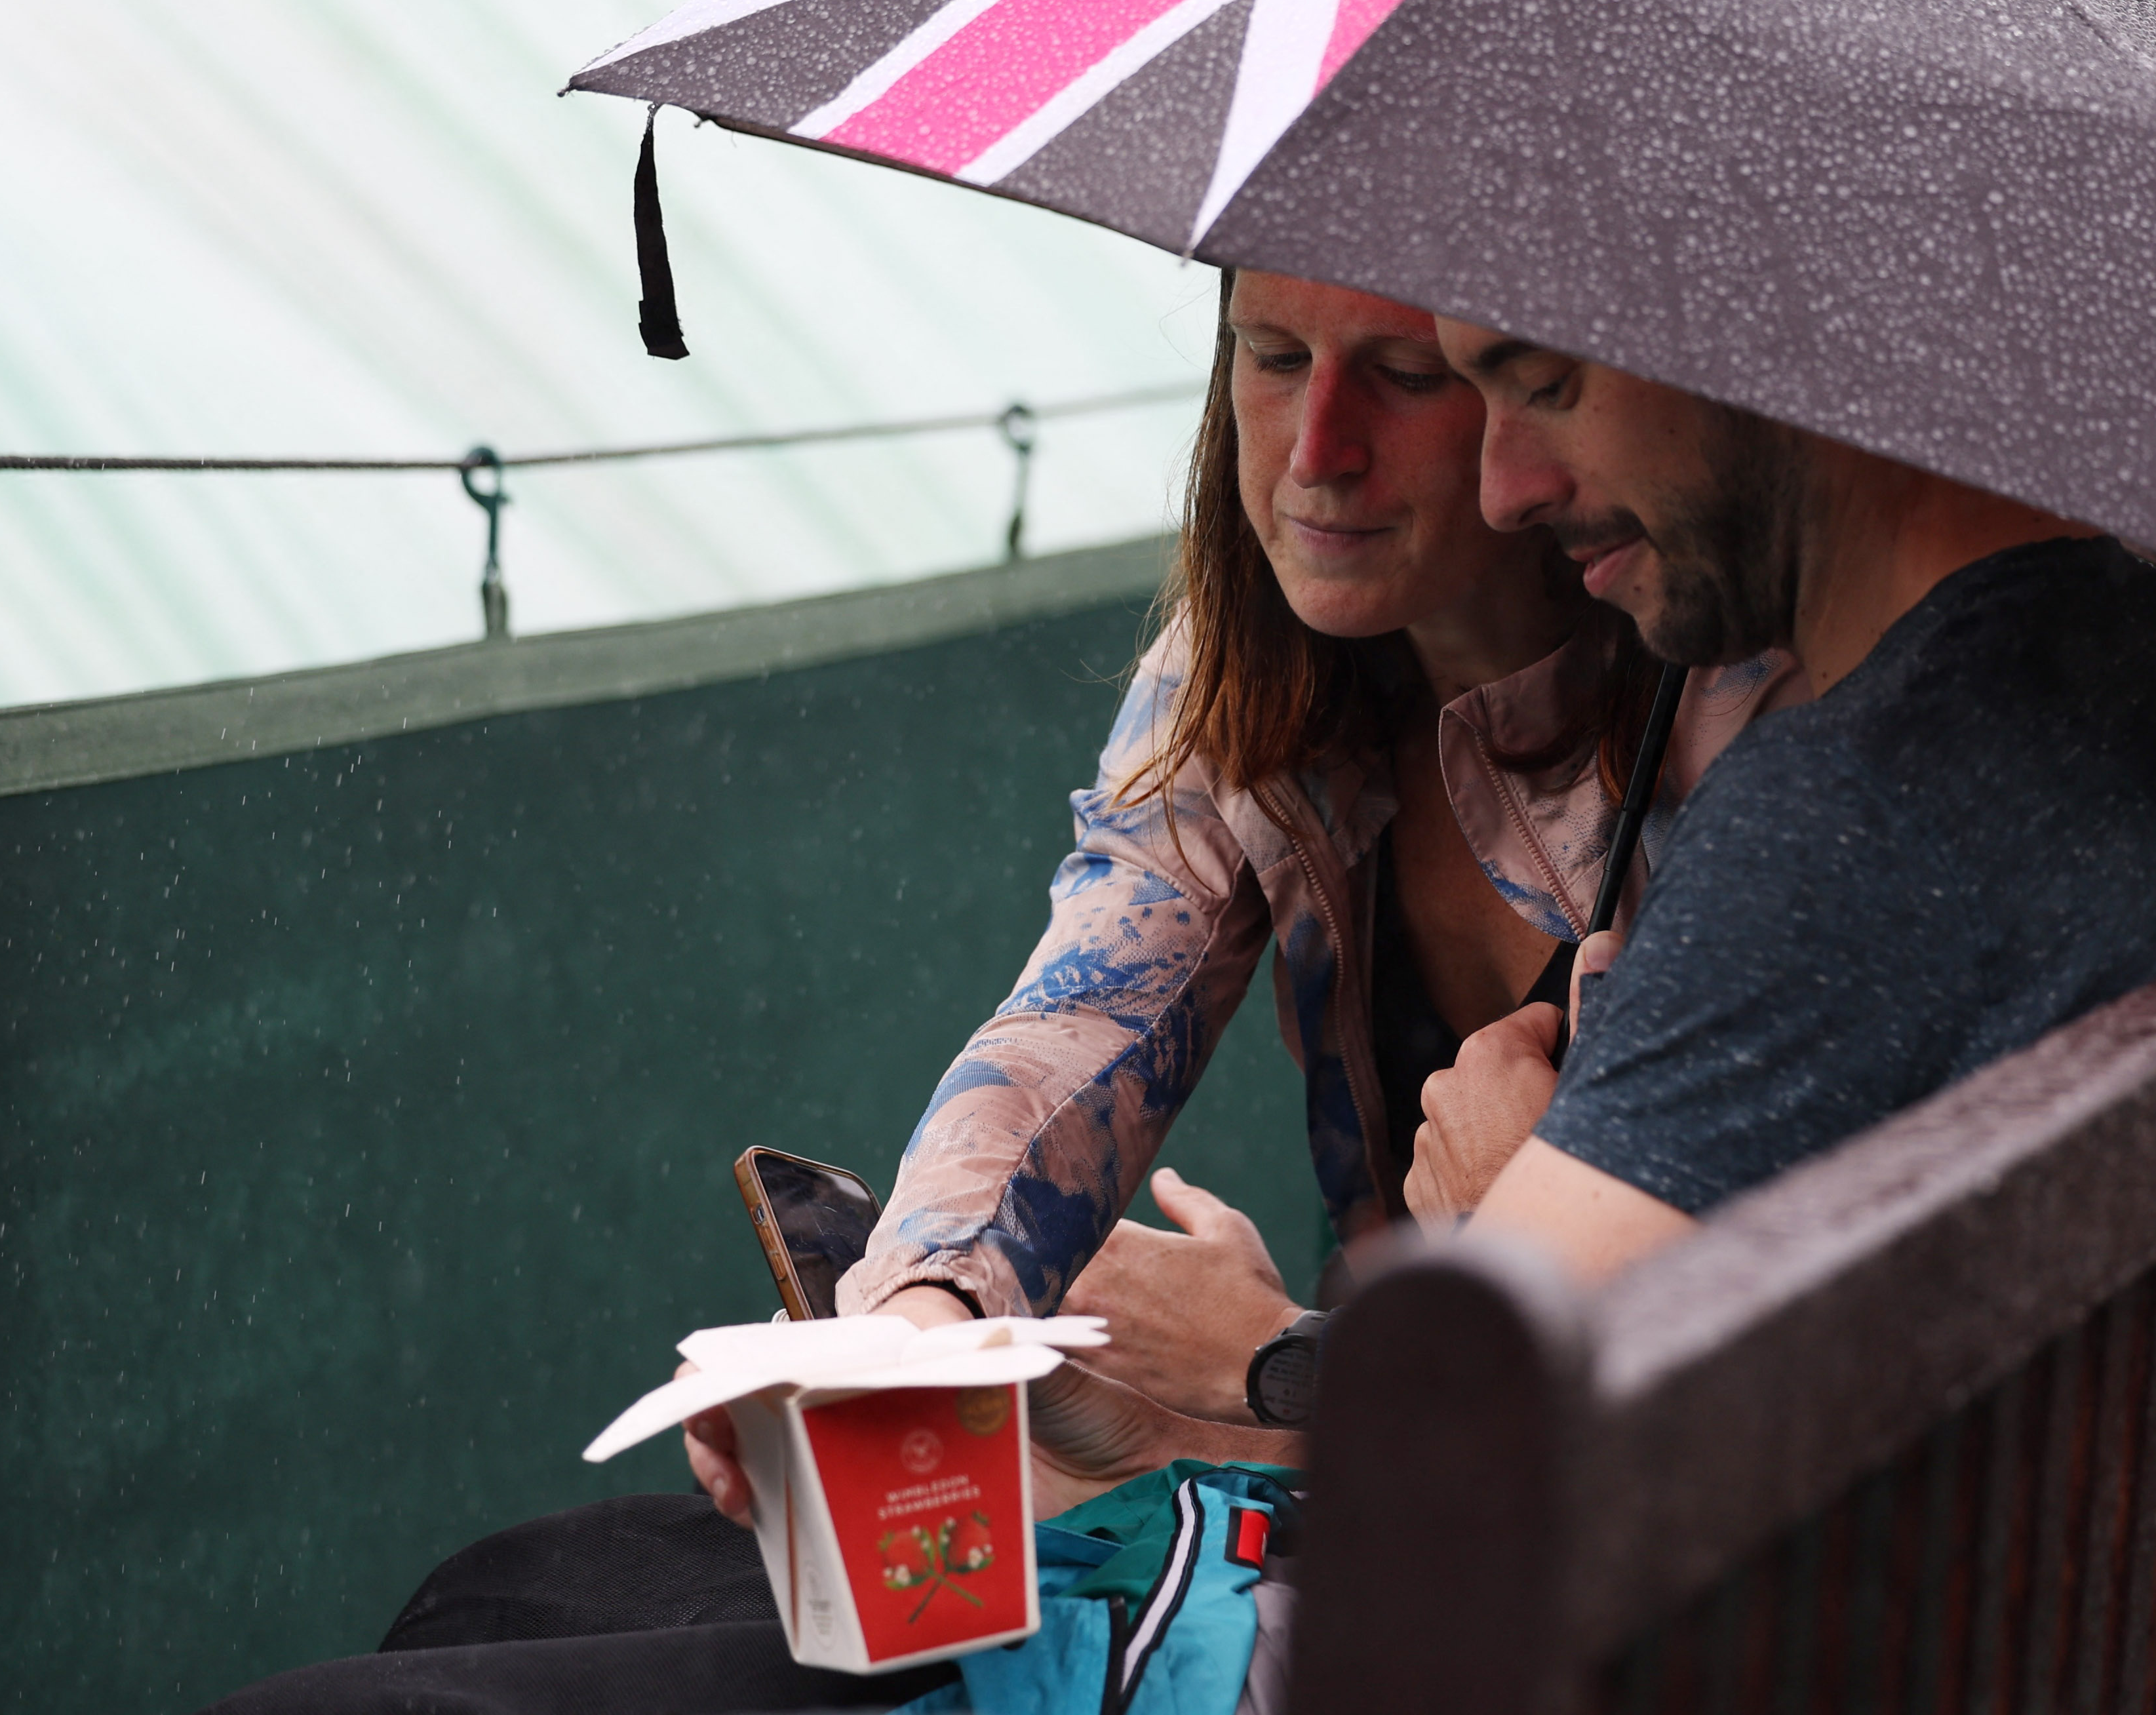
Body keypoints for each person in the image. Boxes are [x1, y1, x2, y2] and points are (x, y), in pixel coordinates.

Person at [684, 271, 1799, 1521]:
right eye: (1268, 355)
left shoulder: (1752, 719)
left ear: (1539, 384)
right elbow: (1082, 1021)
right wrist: (919, 1324)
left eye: (1409, 375)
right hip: (1402, 1475)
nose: (1316, 451)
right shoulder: (1240, 672)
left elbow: (1767, 1372)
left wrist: (1270, 1360)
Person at [1401, 323, 2156, 1286]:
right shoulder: (2130, 658)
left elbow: (1485, 1418)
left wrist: (1471, 1214)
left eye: (1547, 384)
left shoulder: (1847, 810)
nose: (1502, 491)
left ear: (1783, 327)